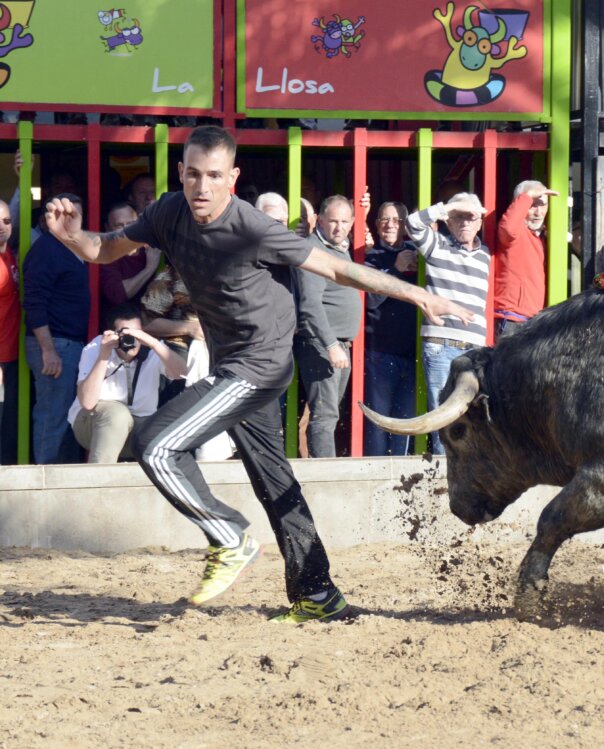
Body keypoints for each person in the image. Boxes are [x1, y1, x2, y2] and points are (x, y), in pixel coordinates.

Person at [42, 125, 473, 623]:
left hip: (262, 363)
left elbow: (335, 269)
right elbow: (104, 250)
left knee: (156, 445)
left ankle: (228, 536)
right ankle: (318, 595)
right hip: (232, 363)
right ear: (181, 172)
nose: (202, 188)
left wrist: (416, 294)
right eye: (194, 175)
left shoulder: (251, 226)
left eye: (215, 176)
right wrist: (70, 234)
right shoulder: (168, 211)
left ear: (233, 177)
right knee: (274, 479)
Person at [407, 192, 490, 455]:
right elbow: (412, 223)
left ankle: (468, 475)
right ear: (448, 222)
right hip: (441, 346)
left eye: (471, 217)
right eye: (458, 218)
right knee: (441, 414)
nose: (464, 222)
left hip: (475, 351)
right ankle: (444, 476)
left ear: (480, 222)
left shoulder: (487, 255)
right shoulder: (437, 246)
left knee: (474, 416)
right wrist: (449, 206)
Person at [69, 304, 186, 463]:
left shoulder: (152, 348)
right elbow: (88, 403)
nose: (132, 339)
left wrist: (154, 343)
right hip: (92, 424)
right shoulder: (97, 347)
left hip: (138, 426)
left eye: (137, 333)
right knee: (117, 414)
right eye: (124, 332)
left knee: (166, 423)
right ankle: (99, 482)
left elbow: (182, 373)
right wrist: (104, 355)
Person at [23, 192, 89, 464]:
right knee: (52, 416)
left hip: (69, 343)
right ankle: (43, 481)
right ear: (50, 217)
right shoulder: (46, 249)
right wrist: (48, 350)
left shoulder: (76, 246)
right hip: (55, 344)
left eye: (74, 214)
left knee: (64, 416)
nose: (68, 219)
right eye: (62, 213)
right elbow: (34, 302)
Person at [294, 194, 361, 458]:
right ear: (318, 220)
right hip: (321, 343)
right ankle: (324, 474)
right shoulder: (313, 252)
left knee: (330, 412)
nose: (339, 227)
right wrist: (331, 344)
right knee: (324, 413)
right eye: (333, 221)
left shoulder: (340, 248)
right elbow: (309, 305)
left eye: (345, 221)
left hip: (339, 343)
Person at [364, 201, 419, 457]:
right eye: (384, 220)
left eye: (396, 220)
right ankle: (375, 471)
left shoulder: (417, 254)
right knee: (378, 419)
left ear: (405, 225)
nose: (390, 225)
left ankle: (401, 475)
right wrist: (396, 270)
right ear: (376, 225)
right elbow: (369, 300)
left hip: (413, 352)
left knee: (406, 421)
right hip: (380, 352)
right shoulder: (369, 257)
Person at [494, 180, 557, 339]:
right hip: (511, 319)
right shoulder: (515, 234)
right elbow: (508, 227)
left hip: (532, 320)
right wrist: (526, 197)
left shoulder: (540, 236)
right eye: (532, 205)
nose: (538, 212)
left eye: (542, 205)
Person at [98, 202, 161, 324]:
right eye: (119, 225)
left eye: (131, 224)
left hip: (156, 322)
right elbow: (117, 295)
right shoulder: (107, 255)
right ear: (108, 228)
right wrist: (149, 268)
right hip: (121, 326)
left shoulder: (152, 249)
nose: (126, 230)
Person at [0, 199, 17, 463]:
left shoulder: (8, 254)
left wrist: (22, 179)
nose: (2, 227)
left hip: (12, 355)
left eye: (6, 221)